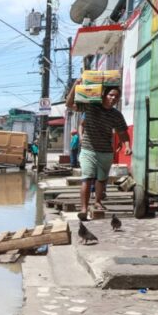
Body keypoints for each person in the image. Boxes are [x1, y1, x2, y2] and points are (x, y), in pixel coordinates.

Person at [67, 86, 131, 220]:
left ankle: (97, 202)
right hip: (88, 149)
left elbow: (123, 133)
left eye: (116, 97)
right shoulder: (91, 107)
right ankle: (83, 208)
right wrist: (75, 85)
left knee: (101, 180)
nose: (113, 98)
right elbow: (69, 104)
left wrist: (127, 146)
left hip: (106, 151)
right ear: (103, 95)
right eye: (111, 95)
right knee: (87, 178)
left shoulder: (116, 115)